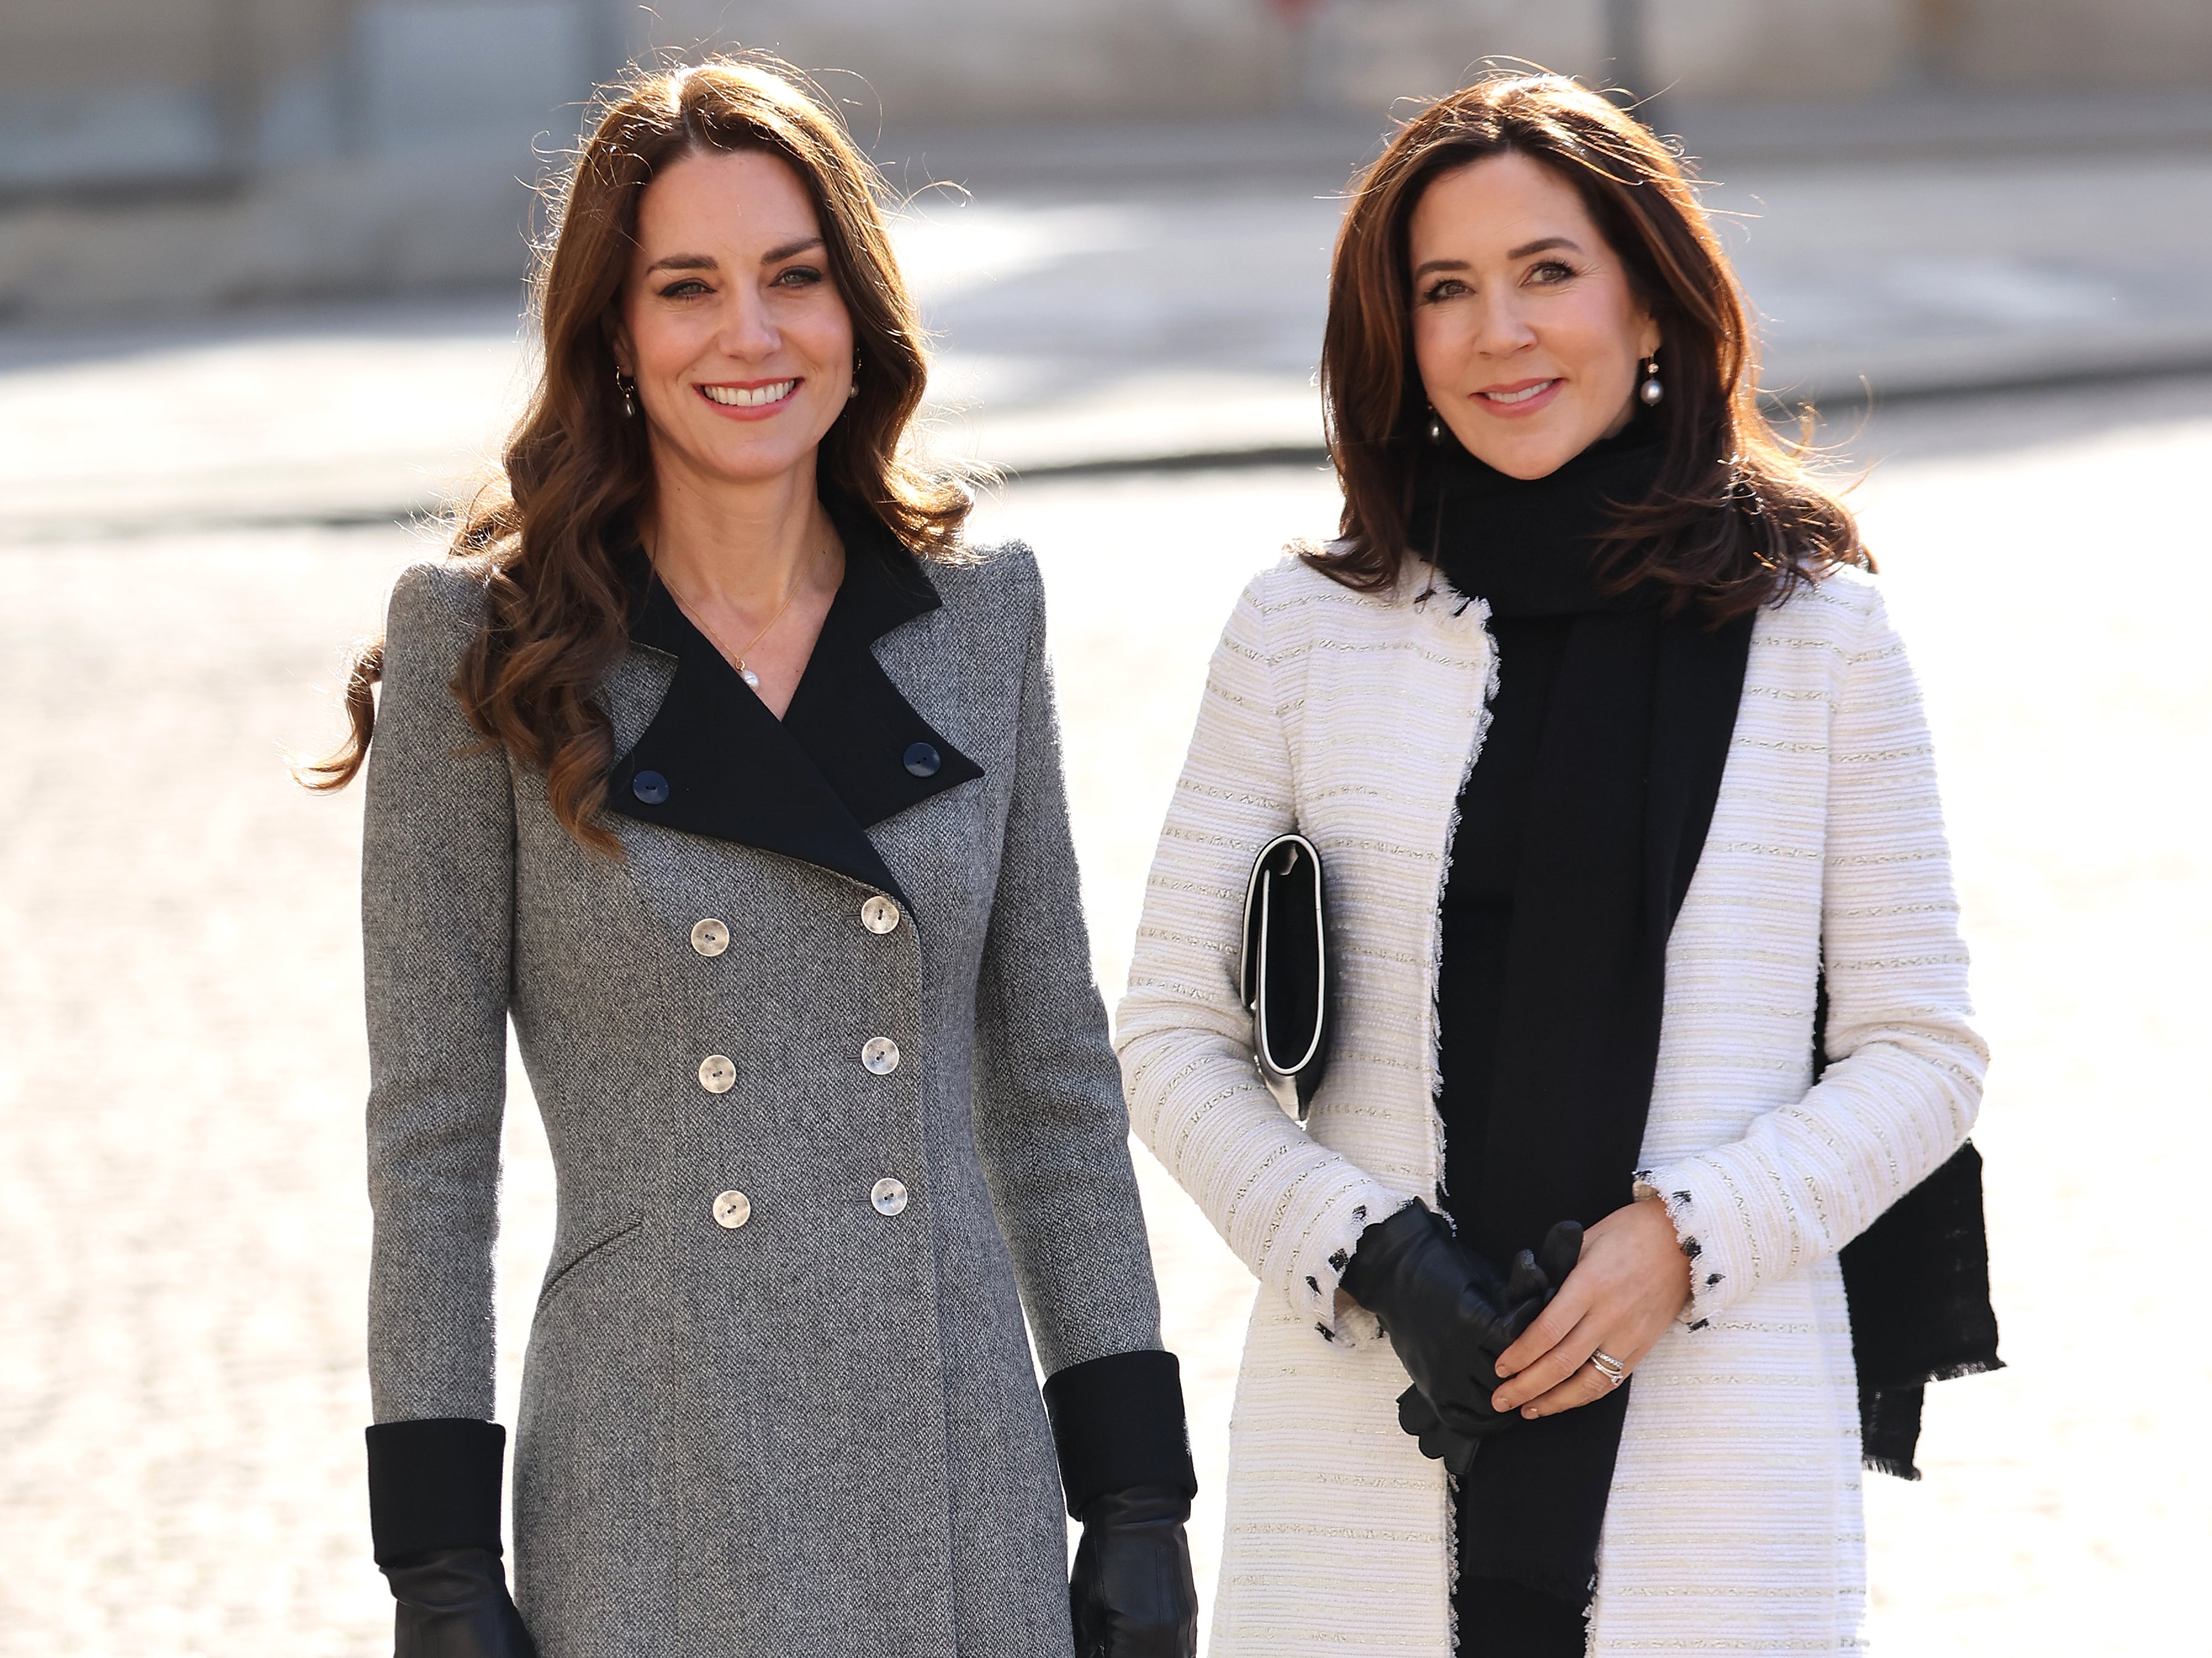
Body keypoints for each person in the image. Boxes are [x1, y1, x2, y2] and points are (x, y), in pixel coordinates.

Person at [307, 57, 1199, 1658]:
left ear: (856, 317)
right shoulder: (484, 646)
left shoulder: (977, 615)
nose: (750, 335)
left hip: (959, 1464)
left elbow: (1050, 1071)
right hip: (656, 1478)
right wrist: (435, 1558)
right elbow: (431, 1139)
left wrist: (1135, 1496)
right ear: (612, 337)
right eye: (688, 288)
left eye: (794, 279)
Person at [1115, 73, 1994, 1657]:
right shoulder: (1302, 630)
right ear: (1398, 342)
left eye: (1548, 273)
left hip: (1714, 1456)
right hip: (1361, 1453)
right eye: (1445, 290)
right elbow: (1173, 1033)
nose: (1498, 333)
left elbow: (1921, 1053)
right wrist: (1373, 1251)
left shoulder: (1819, 636)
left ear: (1653, 302)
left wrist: (1688, 1238)